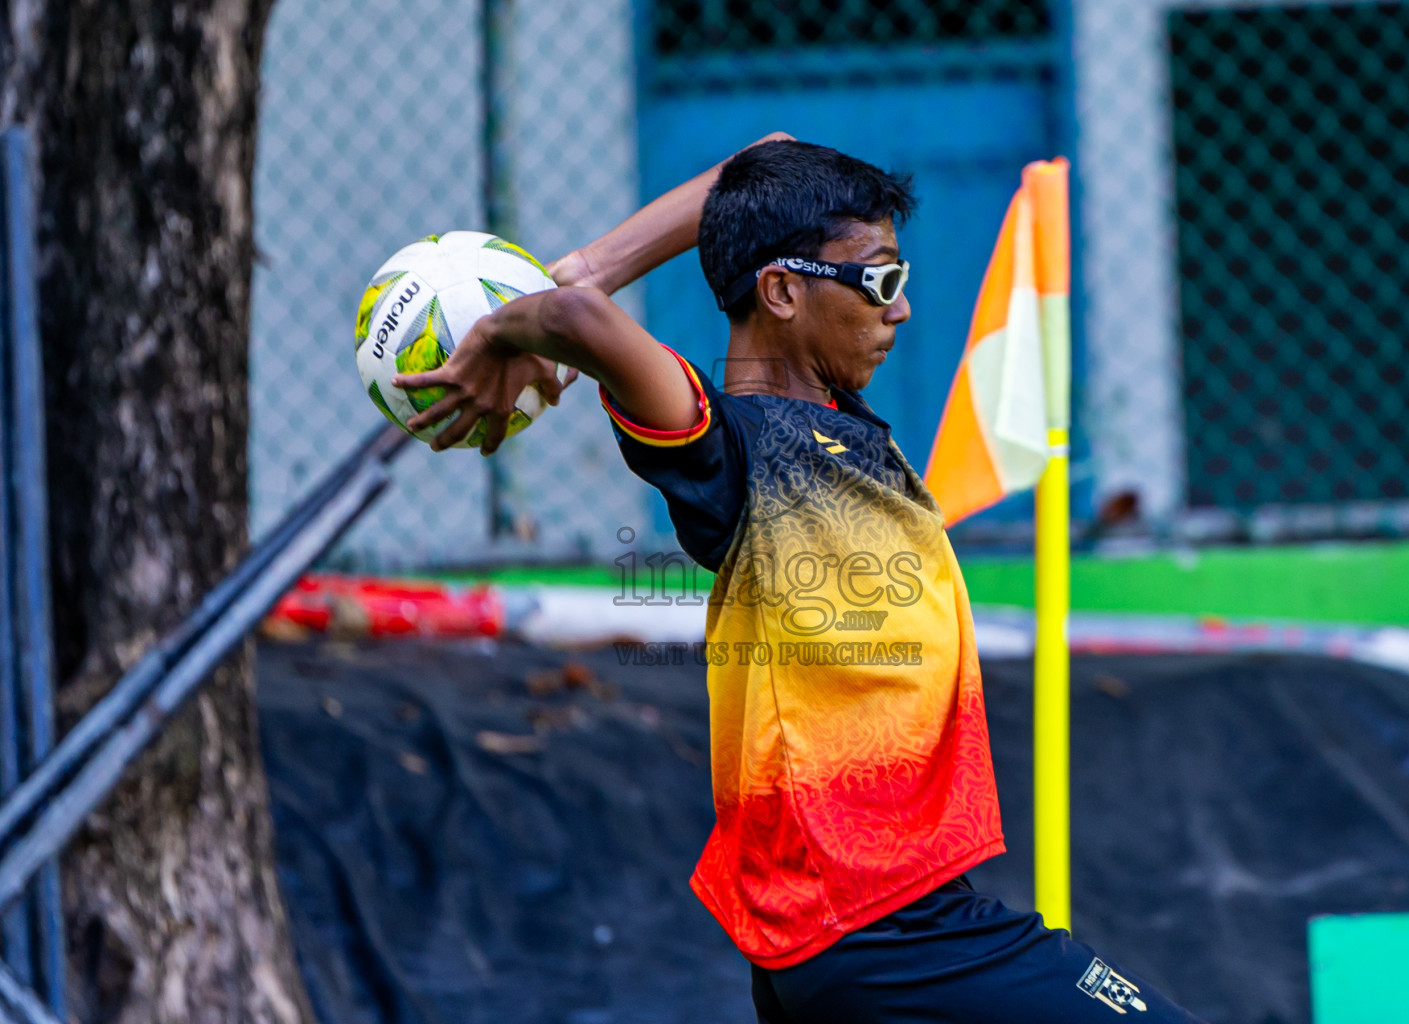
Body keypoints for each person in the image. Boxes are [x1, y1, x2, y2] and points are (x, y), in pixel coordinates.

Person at [396, 137, 1205, 1024]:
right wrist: (512, 321)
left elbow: (767, 157)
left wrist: (591, 265)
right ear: (781, 292)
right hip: (883, 929)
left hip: (867, 929)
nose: (900, 313)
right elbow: (580, 328)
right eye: (882, 283)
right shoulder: (735, 452)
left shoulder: (841, 423)